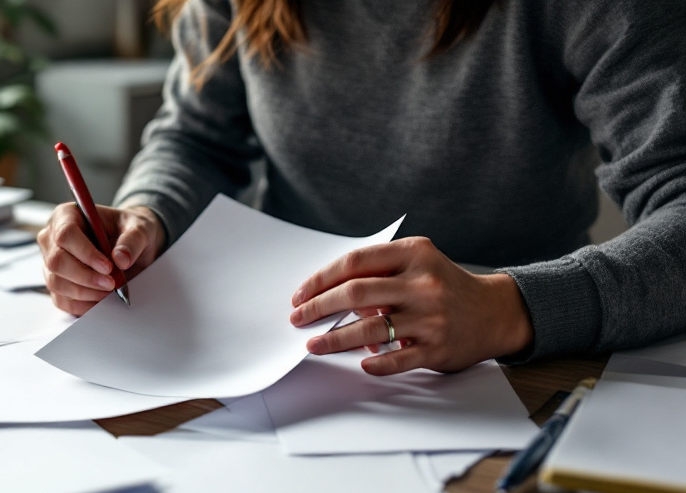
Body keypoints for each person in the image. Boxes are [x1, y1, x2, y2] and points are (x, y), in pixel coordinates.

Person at [36, 0, 686, 376]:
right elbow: (196, 137)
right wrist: (146, 218)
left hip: (516, 365)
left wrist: (509, 308)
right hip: (276, 355)